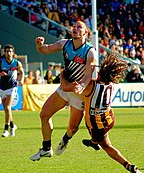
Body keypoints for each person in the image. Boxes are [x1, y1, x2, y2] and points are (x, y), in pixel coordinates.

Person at [61, 53, 142, 173]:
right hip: (109, 118)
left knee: (107, 146)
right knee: (100, 138)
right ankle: (94, 142)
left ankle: (129, 166)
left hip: (96, 124)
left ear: (100, 73)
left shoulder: (90, 86)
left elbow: (65, 86)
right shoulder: (111, 85)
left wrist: (63, 73)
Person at [29, 20, 96, 161]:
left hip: (79, 94)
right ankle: (46, 148)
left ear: (85, 32)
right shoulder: (65, 43)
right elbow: (45, 49)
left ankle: (66, 138)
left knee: (72, 128)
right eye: (74, 26)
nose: (75, 29)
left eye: (79, 27)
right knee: (44, 114)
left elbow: (89, 73)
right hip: (65, 89)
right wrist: (39, 45)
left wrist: (82, 86)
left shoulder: (90, 52)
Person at [0, 44, 24, 137]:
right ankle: (13, 126)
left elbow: (22, 72)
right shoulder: (0, 62)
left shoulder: (17, 63)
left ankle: (6, 129)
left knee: (8, 107)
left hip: (12, 87)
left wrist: (21, 80)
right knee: (6, 110)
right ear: (4, 53)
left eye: (10, 51)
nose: (9, 53)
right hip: (2, 88)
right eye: (7, 51)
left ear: (13, 53)